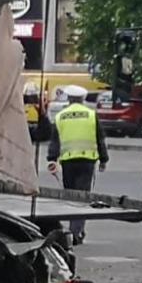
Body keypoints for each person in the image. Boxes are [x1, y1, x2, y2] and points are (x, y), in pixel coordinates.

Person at [45, 84, 106, 244]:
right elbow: (100, 139)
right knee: (83, 197)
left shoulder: (61, 116)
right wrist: (104, 160)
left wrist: (52, 159)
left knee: (71, 197)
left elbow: (55, 141)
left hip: (68, 162)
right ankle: (76, 232)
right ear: (83, 99)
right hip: (87, 161)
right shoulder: (91, 115)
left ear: (69, 98)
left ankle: (76, 230)